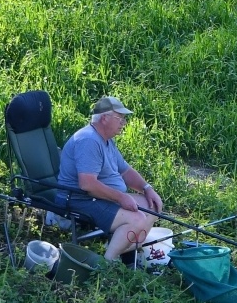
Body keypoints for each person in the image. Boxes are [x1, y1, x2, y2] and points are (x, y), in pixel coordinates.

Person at [57, 95, 163, 262]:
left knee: (153, 205)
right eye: (120, 118)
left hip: (100, 198)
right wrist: (121, 197)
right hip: (80, 199)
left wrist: (147, 188)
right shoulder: (89, 141)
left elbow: (125, 171)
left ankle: (122, 249)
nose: (124, 123)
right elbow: (87, 184)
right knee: (137, 219)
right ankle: (107, 263)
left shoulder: (106, 140)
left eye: (124, 119)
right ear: (104, 118)